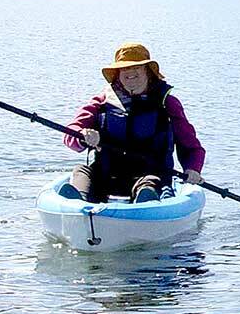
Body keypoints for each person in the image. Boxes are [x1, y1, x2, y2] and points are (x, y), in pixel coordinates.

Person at [59, 42, 205, 202]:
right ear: (117, 73)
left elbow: (191, 148)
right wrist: (82, 135)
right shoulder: (101, 102)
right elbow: (70, 133)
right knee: (81, 171)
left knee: (150, 183)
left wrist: (193, 169)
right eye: (124, 68)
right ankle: (77, 204)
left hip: (150, 175)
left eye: (136, 67)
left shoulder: (168, 104)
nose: (130, 72)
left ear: (148, 71)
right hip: (106, 176)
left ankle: (147, 205)